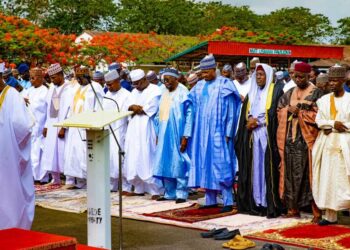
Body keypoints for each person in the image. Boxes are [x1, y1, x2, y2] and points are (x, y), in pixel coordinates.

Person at [188, 54, 241, 213]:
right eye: (202, 73)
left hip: (219, 132)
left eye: (206, 72)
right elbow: (191, 107)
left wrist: (228, 133)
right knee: (206, 163)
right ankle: (210, 199)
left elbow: (232, 111)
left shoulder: (225, 84)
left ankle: (228, 200)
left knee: (222, 164)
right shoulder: (198, 86)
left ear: (214, 69)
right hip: (202, 133)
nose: (203, 75)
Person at [235, 64, 284, 218]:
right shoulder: (252, 93)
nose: (259, 78)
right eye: (257, 75)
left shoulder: (276, 91)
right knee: (254, 170)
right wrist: (249, 120)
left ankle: (268, 203)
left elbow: (276, 113)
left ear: (268, 75)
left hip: (267, 135)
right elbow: (246, 113)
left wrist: (259, 121)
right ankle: (255, 203)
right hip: (252, 137)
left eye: (262, 75)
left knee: (266, 171)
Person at [277, 62, 323, 223]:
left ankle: (316, 212)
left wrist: (301, 113)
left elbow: (320, 116)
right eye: (295, 76)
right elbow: (280, 109)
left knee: (309, 175)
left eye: (301, 77)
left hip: (306, 141)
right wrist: (286, 111)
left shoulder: (317, 93)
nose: (298, 79)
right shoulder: (288, 93)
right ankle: (292, 209)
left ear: (309, 76)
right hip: (290, 140)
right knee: (290, 175)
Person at [312, 65, 350, 226]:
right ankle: (330, 216)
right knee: (328, 179)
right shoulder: (324, 100)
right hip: (327, 145)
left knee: (345, 179)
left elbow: (346, 124)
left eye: (335, 80)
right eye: (331, 80)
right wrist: (333, 123)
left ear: (343, 80)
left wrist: (332, 126)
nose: (332, 83)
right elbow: (319, 121)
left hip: (345, 144)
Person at [153, 68, 193, 203]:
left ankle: (181, 193)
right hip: (164, 133)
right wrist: (157, 133)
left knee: (179, 162)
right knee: (165, 162)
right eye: (164, 81)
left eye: (168, 80)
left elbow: (189, 115)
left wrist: (186, 136)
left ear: (176, 79)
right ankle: (169, 193)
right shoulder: (163, 92)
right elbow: (159, 114)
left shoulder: (183, 92)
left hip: (178, 134)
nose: (166, 83)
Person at [0, 79, 35, 230]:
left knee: (10, 192)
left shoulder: (12, 95)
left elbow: (23, 127)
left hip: (9, 154)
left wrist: (11, 147)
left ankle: (13, 227)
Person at [124, 69, 162, 199]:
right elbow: (129, 108)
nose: (136, 86)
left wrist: (137, 108)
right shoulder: (134, 91)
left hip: (147, 127)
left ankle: (155, 190)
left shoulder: (155, 90)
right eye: (134, 84)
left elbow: (149, 109)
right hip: (133, 127)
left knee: (147, 155)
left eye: (138, 83)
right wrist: (135, 108)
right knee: (133, 155)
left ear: (145, 79)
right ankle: (138, 188)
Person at [64, 66, 104, 189]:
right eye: (77, 78)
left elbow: (99, 106)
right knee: (74, 153)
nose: (79, 81)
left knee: (85, 153)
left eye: (81, 78)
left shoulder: (95, 87)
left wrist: (95, 123)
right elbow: (71, 106)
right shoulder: (76, 87)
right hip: (75, 125)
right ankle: (79, 181)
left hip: (87, 126)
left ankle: (90, 180)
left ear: (87, 77)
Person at [41, 63, 74, 186]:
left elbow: (70, 110)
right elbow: (48, 108)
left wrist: (64, 127)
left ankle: (69, 180)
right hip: (51, 123)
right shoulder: (51, 88)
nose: (52, 80)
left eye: (54, 77)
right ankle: (55, 179)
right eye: (50, 78)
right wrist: (46, 125)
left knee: (64, 152)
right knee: (50, 151)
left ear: (60, 75)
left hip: (62, 125)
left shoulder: (69, 89)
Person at [102, 70, 132, 194]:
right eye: (107, 85)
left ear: (117, 81)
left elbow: (129, 116)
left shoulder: (126, 95)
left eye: (110, 84)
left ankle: (126, 186)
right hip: (108, 131)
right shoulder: (106, 95)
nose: (108, 87)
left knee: (122, 158)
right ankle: (111, 185)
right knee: (109, 158)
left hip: (121, 131)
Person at [25, 68, 49, 182]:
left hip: (42, 127)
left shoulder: (46, 91)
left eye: (33, 78)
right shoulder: (29, 90)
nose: (31, 80)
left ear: (40, 78)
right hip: (31, 128)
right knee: (32, 152)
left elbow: (50, 111)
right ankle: (33, 176)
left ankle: (43, 177)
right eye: (30, 78)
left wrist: (47, 125)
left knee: (41, 152)